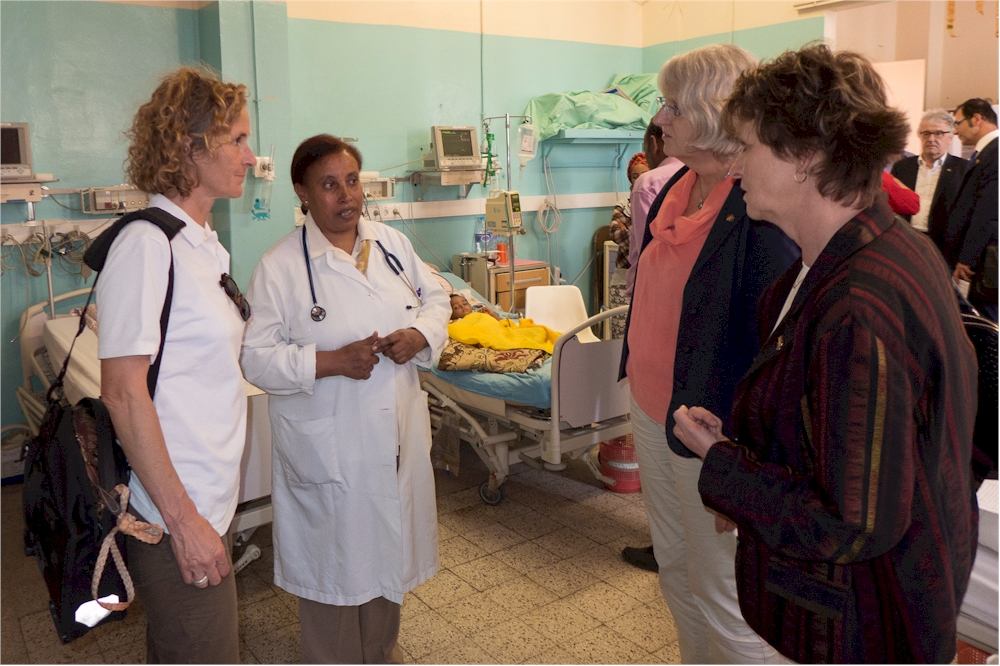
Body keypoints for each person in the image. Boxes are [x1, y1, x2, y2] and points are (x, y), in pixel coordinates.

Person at [674, 44, 979, 663]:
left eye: (750, 146)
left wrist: (725, 465)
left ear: (805, 158)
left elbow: (850, 523)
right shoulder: (860, 257)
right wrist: (746, 447)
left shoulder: (858, 307)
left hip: (866, 624)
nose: (737, 166)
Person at [617, 43, 798, 663]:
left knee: (725, 592)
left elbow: (774, 347)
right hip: (650, 409)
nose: (659, 120)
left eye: (672, 106)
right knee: (675, 570)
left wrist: (744, 461)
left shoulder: (759, 208)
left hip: (711, 429)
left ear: (712, 112)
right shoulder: (675, 186)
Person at [240, 134, 450, 664]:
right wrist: (331, 361)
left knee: (386, 560)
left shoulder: (393, 247)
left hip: (393, 434)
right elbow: (256, 358)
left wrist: (420, 334)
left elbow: (439, 297)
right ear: (302, 194)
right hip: (328, 440)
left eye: (352, 181)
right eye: (329, 184)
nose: (345, 195)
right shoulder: (280, 266)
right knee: (334, 569)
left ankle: (382, 653)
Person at [97, 67, 256, 663]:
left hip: (208, 499)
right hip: (175, 512)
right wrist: (185, 522)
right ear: (190, 147)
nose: (250, 155)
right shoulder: (146, 244)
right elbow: (122, 393)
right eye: (236, 140)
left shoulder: (202, 243)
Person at [890, 109, 969, 254]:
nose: (931, 139)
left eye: (939, 133)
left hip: (945, 247)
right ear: (919, 136)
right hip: (906, 240)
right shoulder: (902, 166)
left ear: (950, 137)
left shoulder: (964, 169)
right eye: (926, 133)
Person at [950, 98, 998, 320]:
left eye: (957, 122)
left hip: (987, 258)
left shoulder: (994, 153)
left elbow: (987, 212)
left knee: (987, 322)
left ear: (977, 119)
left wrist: (967, 258)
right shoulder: (985, 152)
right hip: (983, 255)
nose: (955, 130)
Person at [626, 121, 684, 297]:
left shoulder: (648, 183)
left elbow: (648, 245)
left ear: (654, 143)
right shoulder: (697, 174)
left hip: (651, 287)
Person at [607, 152, 650, 338]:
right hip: (622, 280)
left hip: (649, 279)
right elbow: (616, 233)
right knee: (620, 337)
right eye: (635, 176)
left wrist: (631, 228)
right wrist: (642, 234)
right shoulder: (624, 205)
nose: (639, 180)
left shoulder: (657, 204)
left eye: (644, 175)